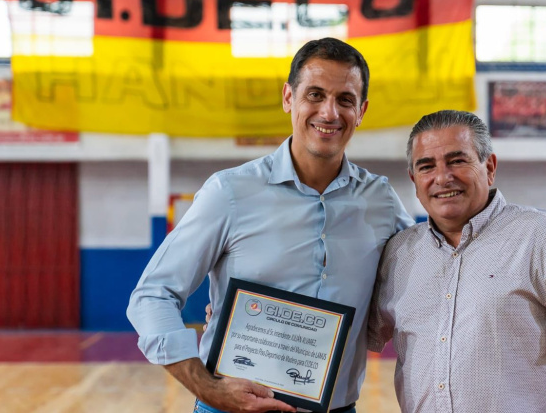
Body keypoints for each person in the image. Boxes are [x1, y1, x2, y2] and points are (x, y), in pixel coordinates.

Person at [127, 38, 414, 413]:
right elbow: (153, 294)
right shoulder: (229, 192)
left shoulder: (382, 200)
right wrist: (207, 386)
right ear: (288, 98)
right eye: (315, 94)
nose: (329, 112)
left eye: (345, 99)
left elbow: (423, 283)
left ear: (361, 111)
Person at [368, 110, 546, 413]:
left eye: (457, 160)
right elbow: (354, 338)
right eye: (427, 166)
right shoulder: (398, 253)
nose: (443, 177)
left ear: (490, 167)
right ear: (414, 180)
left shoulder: (541, 236)